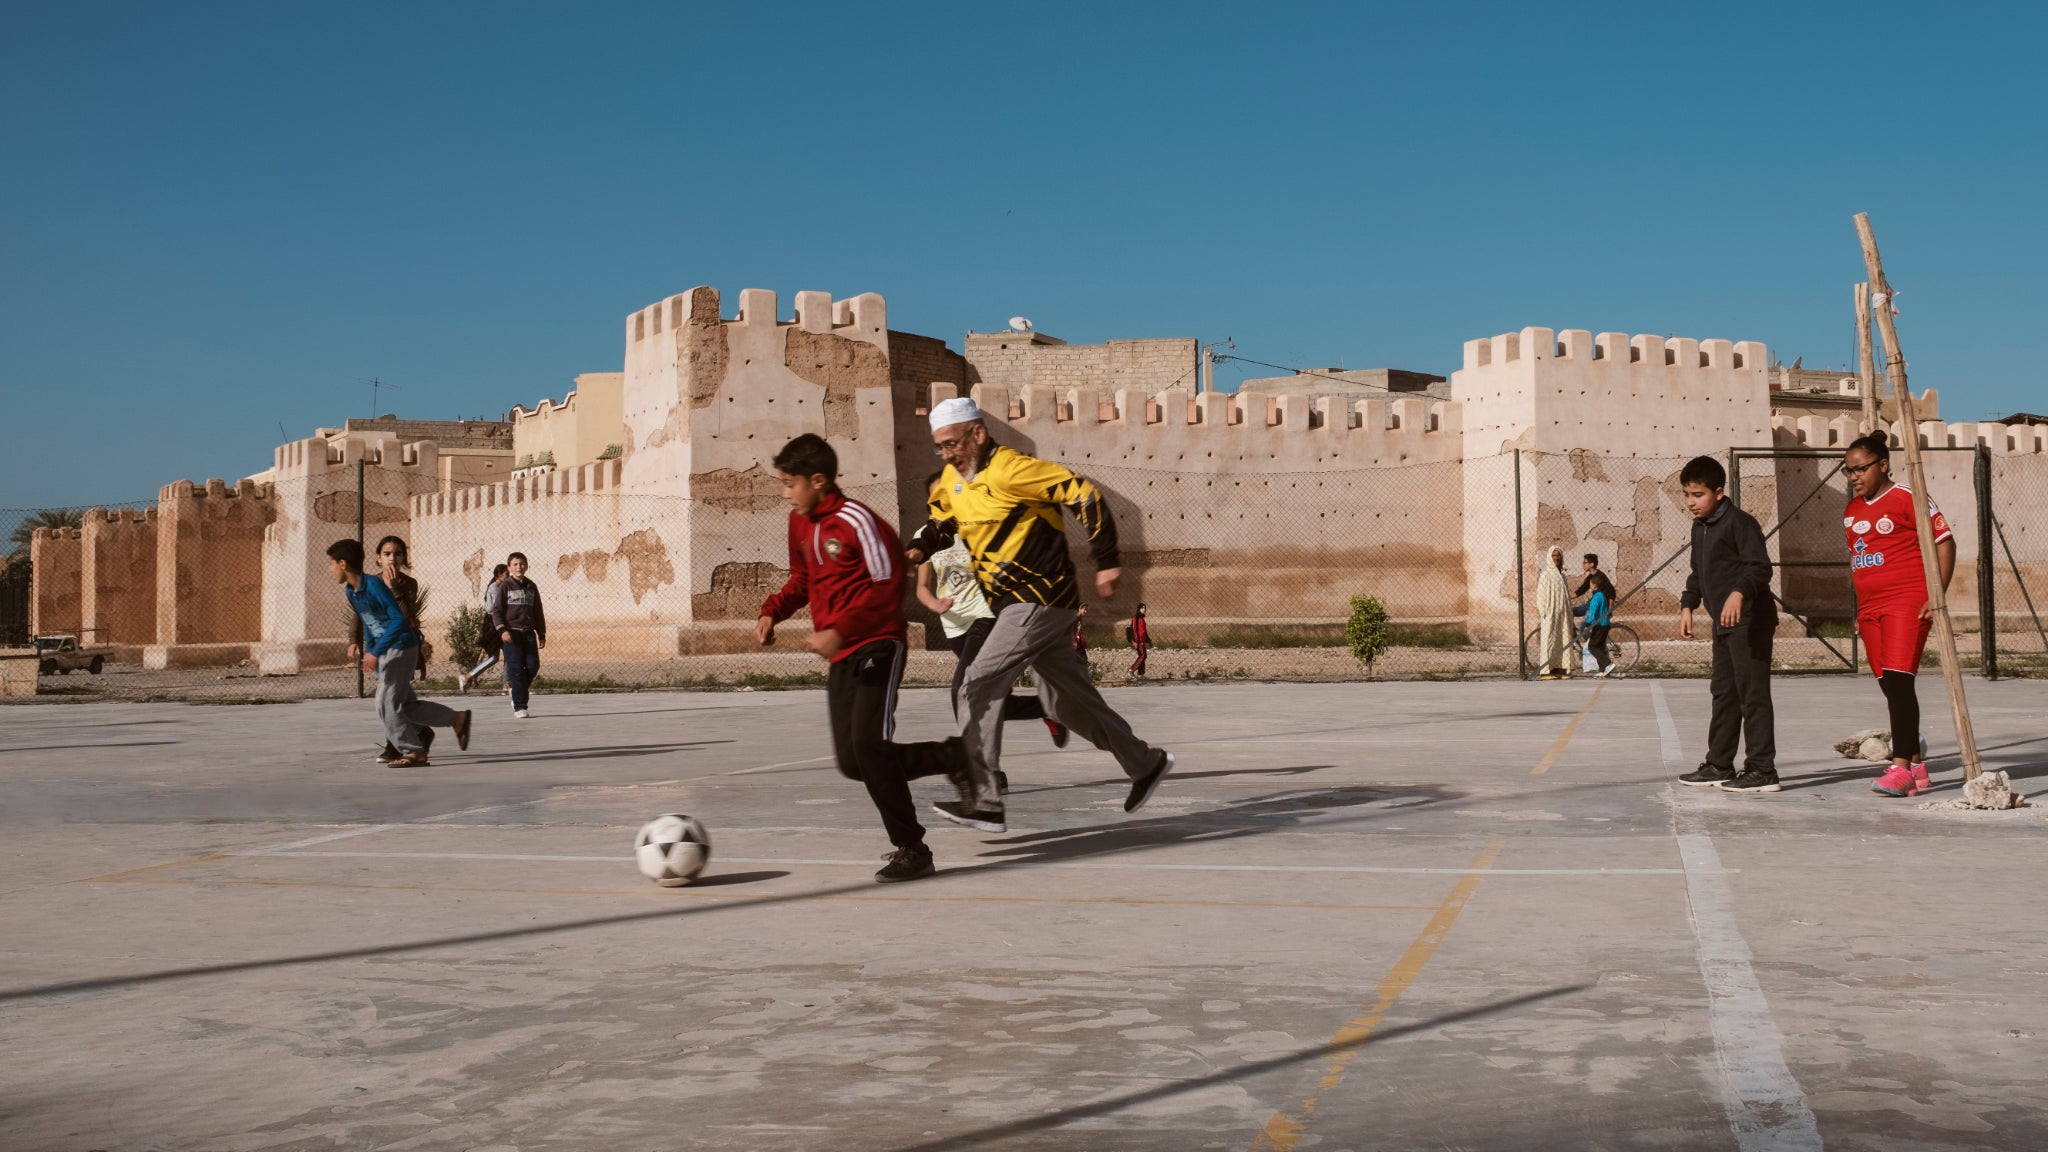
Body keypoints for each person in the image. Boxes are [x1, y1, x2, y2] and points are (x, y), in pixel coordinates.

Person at [906, 396, 1176, 834]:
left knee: (977, 684)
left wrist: (1106, 558)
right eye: (939, 447)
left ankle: (986, 797)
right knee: (1066, 704)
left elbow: (1083, 494)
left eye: (952, 443)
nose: (946, 454)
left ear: (978, 433)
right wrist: (920, 548)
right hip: (1024, 606)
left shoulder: (1013, 469)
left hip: (1037, 596)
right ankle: (1144, 763)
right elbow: (943, 523)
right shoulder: (954, 483)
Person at [757, 433, 966, 883]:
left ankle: (913, 848)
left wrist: (840, 631)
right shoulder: (800, 522)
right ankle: (958, 756)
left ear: (818, 481)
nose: (785, 493)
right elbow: (801, 579)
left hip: (877, 643)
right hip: (841, 650)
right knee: (854, 763)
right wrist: (772, 611)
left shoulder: (857, 521)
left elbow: (888, 586)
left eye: (790, 483)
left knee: (870, 748)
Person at [913, 479, 1070, 779]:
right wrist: (934, 604)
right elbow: (922, 587)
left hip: (985, 616)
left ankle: (986, 772)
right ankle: (1048, 708)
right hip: (954, 626)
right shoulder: (924, 537)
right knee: (991, 698)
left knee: (963, 689)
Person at [1842, 432, 1955, 797]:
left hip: (1907, 601)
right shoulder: (1852, 511)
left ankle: (1902, 768)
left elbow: (1944, 542)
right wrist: (1860, 609)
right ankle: (1919, 765)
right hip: (1871, 608)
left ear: (1883, 465)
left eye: (1861, 469)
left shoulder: (1908, 497)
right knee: (1889, 686)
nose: (1855, 476)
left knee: (1900, 680)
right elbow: (1857, 561)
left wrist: (1936, 594)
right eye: (1849, 471)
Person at [1676, 455, 1779, 793]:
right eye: (1687, 495)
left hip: (1750, 622)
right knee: (1724, 693)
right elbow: (1698, 572)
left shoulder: (1740, 523)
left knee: (1752, 695)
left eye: (1698, 495)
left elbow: (1760, 568)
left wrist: (1738, 592)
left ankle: (1762, 770)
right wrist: (1688, 605)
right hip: (1723, 624)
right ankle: (1719, 764)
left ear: (1718, 492)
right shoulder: (1700, 527)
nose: (1691, 502)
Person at [330, 538, 471, 768]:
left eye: (397, 554)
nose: (392, 558)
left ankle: (412, 750)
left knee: (386, 702)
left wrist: (393, 590)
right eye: (387, 554)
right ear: (378, 557)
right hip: (385, 649)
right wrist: (362, 645)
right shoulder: (354, 590)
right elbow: (365, 618)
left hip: (401, 646)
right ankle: (456, 719)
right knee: (404, 705)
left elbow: (401, 620)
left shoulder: (396, 585)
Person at [488, 552, 544, 718]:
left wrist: (541, 632)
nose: (519, 567)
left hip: (528, 634)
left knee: (533, 666)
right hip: (511, 634)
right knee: (516, 669)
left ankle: (516, 690)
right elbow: (497, 610)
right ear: (509, 568)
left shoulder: (531, 586)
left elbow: (538, 611)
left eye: (522, 564)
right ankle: (520, 706)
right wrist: (502, 630)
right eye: (515, 564)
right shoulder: (505, 586)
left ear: (526, 566)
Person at [458, 563, 510, 693]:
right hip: (493, 625)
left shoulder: (504, 587)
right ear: (499, 575)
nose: (509, 577)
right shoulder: (493, 588)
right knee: (494, 657)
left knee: (508, 654)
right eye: (506, 574)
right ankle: (467, 677)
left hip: (501, 624)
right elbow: (490, 608)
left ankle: (506, 684)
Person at [1577, 554, 1619, 678]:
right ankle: (1603, 669)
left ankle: (1607, 664)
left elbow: (1593, 612)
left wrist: (1589, 623)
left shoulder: (1596, 597)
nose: (1583, 564)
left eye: (1585, 562)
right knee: (1599, 646)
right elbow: (1581, 590)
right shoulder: (1600, 595)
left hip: (1599, 625)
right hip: (1604, 624)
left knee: (1592, 646)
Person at [1535, 547, 1573, 679]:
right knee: (1549, 640)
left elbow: (1566, 596)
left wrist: (1568, 612)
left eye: (1558, 555)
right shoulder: (1545, 574)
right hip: (1550, 613)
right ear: (1549, 557)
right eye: (1554, 555)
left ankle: (1560, 669)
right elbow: (1540, 594)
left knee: (1562, 639)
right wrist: (1543, 611)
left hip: (1562, 614)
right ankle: (1546, 670)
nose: (1556, 558)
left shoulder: (1562, 575)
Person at [1126, 602, 1150, 677]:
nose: (1144, 609)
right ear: (1139, 609)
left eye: (1144, 608)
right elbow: (1134, 630)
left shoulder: (1142, 619)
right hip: (1138, 641)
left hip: (1142, 641)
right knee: (1143, 656)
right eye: (1142, 608)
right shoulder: (1135, 618)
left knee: (1142, 656)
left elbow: (1144, 631)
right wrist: (1134, 641)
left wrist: (1148, 640)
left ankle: (1141, 673)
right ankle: (1131, 670)